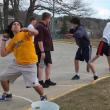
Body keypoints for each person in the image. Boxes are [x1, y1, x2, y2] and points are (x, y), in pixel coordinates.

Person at [0, 20, 47, 101]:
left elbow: (36, 32)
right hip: (17, 64)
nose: (16, 25)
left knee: (35, 84)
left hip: (30, 65)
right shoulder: (12, 41)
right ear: (11, 28)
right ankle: (7, 94)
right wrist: (3, 40)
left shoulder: (25, 33)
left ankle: (43, 96)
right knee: (2, 77)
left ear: (20, 27)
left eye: (18, 24)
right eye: (14, 24)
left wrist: (29, 30)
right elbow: (3, 54)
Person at [34, 12, 56, 88]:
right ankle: (40, 81)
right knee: (41, 65)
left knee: (49, 64)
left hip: (47, 50)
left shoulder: (46, 26)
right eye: (50, 18)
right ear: (47, 18)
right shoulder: (40, 26)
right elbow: (39, 40)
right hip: (42, 50)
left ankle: (47, 80)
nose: (50, 20)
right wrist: (42, 51)